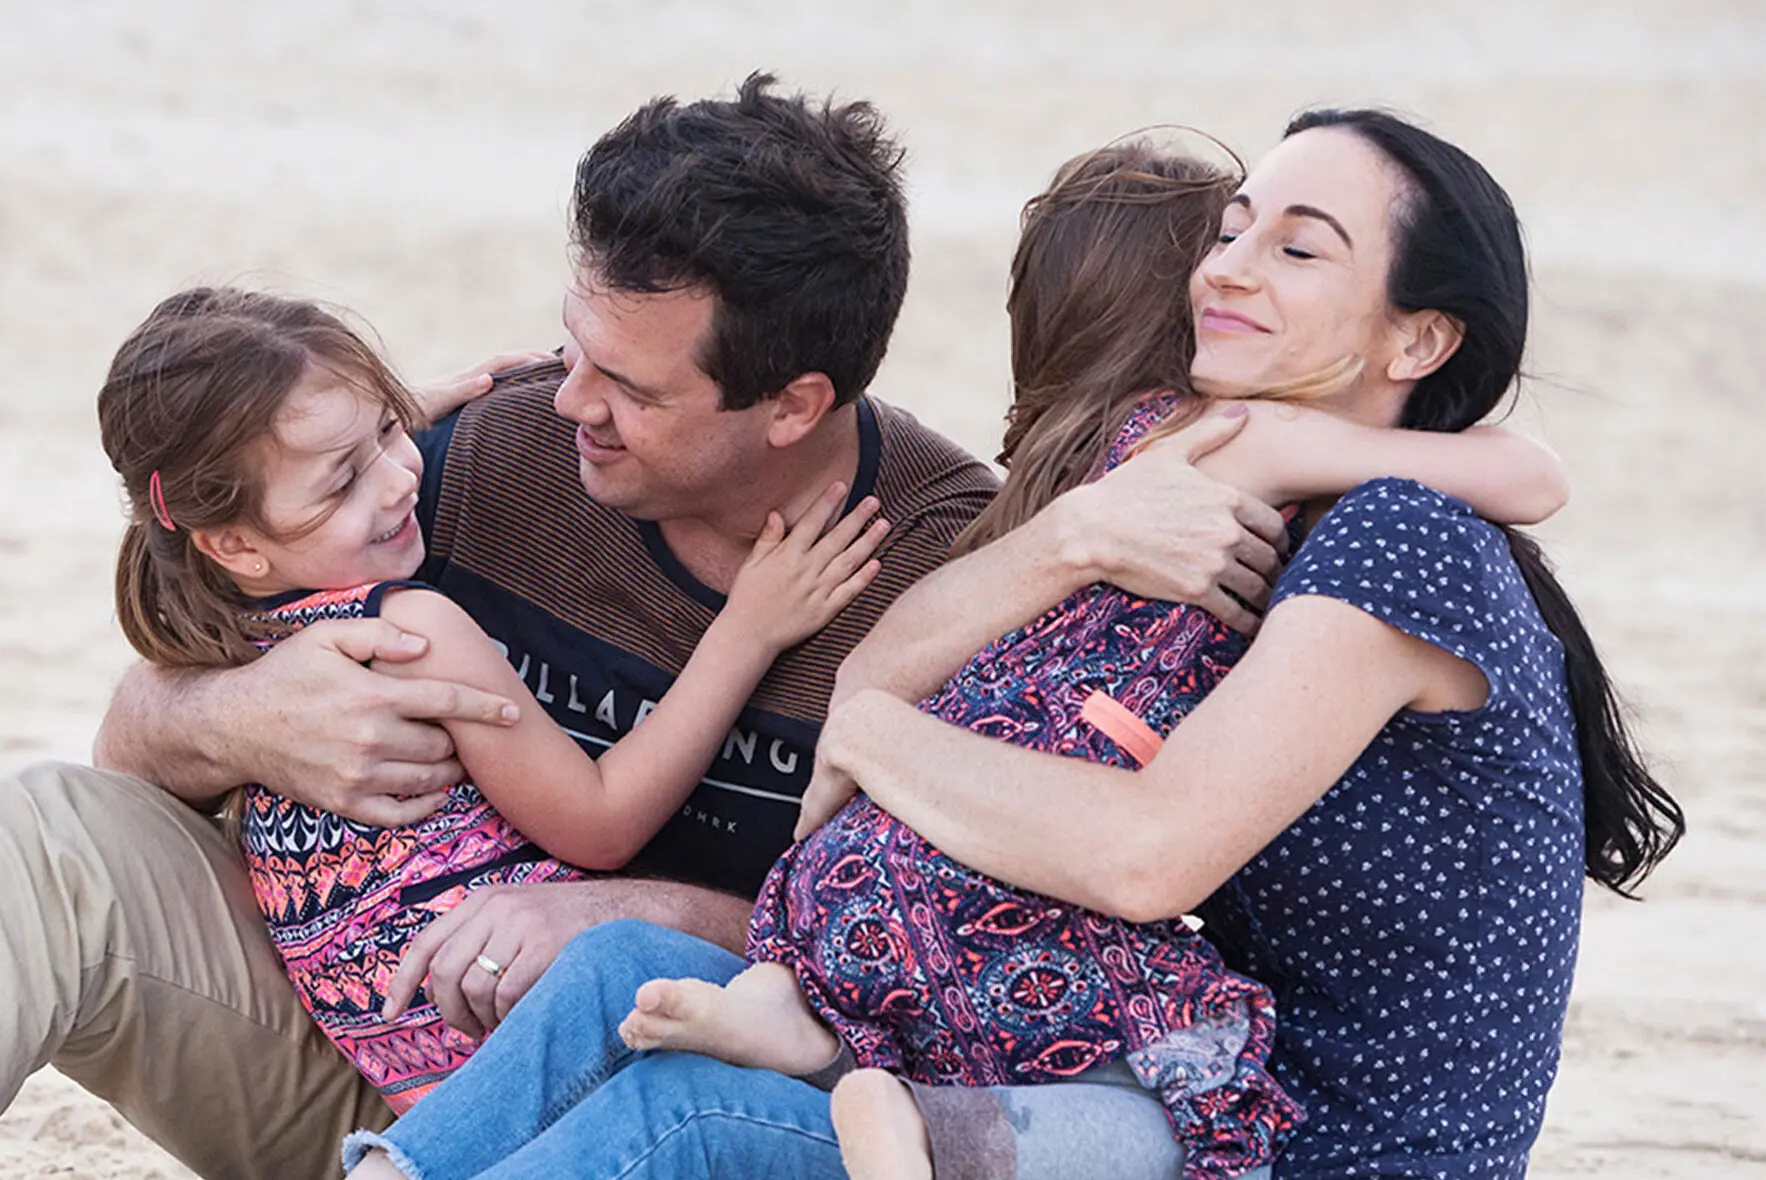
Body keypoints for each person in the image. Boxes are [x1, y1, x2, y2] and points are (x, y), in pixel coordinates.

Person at [338, 121, 1631, 1180]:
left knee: (679, 1121)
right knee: (621, 969)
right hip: (1123, 1076)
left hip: (1288, 1146)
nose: (1229, 267)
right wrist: (1073, 534)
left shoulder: (1399, 539)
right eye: (1232, 230)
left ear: (1417, 341)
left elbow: (1142, 854)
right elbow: (890, 662)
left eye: (1298, 247)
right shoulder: (1216, 489)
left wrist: (876, 736)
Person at [10, 75, 1244, 1179]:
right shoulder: (485, 452)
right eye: (575, 343)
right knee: (46, 832)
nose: (572, 400)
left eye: (633, 388)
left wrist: (627, 915)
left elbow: (948, 955)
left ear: (792, 403)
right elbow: (145, 742)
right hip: (356, 1047)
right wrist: (238, 713)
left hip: (680, 1093)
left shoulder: (941, 575)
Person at [94, 285, 890, 1112]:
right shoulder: (413, 629)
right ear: (234, 541)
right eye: (345, 482)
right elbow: (602, 821)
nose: (404, 478)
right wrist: (748, 631)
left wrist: (377, 429)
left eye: (393, 431)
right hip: (532, 1037)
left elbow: (275, 488)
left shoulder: (219, 620)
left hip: (408, 1075)